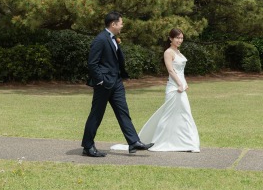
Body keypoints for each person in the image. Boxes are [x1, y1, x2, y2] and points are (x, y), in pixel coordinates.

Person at [112, 27, 200, 153]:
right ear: (171, 38)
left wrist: (184, 83)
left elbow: (180, 71)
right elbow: (171, 70)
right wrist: (180, 84)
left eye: (181, 38)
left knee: (184, 113)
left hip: (181, 86)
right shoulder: (168, 52)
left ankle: (186, 142)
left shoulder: (178, 52)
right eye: (177, 38)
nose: (180, 40)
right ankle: (163, 141)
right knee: (170, 115)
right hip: (174, 88)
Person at [81, 11, 153, 157]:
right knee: (96, 115)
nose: (122, 25)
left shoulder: (113, 38)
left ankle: (134, 142)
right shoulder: (100, 39)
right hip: (104, 84)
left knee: (123, 112)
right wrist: (100, 80)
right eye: (121, 22)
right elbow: (92, 63)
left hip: (117, 82)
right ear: (113, 24)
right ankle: (88, 146)